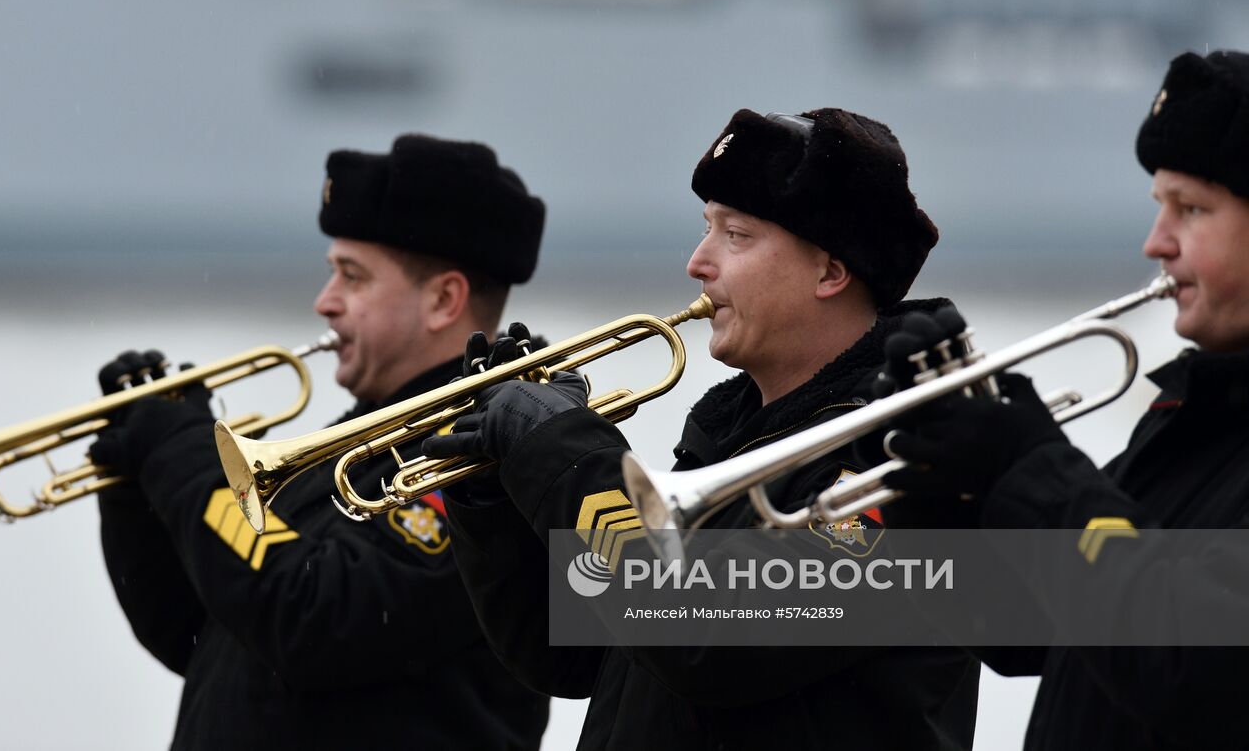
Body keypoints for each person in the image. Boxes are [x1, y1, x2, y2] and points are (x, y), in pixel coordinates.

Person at [424, 108, 980, 749]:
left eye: (736, 235)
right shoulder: (733, 440)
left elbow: (707, 635)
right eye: (705, 228)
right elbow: (573, 654)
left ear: (830, 271)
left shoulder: (902, 452)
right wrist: (500, 481)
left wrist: (567, 453)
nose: (697, 262)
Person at [89, 134, 551, 750]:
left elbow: (315, 619)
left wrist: (183, 458)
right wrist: (135, 487)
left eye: (352, 278)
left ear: (443, 300)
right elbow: (200, 634)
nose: (324, 302)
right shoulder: (361, 438)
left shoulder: (479, 457)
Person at [879, 49, 1249, 749]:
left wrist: (1029, 466)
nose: (1155, 244)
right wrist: (935, 492)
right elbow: (1040, 636)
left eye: (1191, 209)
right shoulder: (1197, 409)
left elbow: (1196, 666)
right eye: (1158, 207)